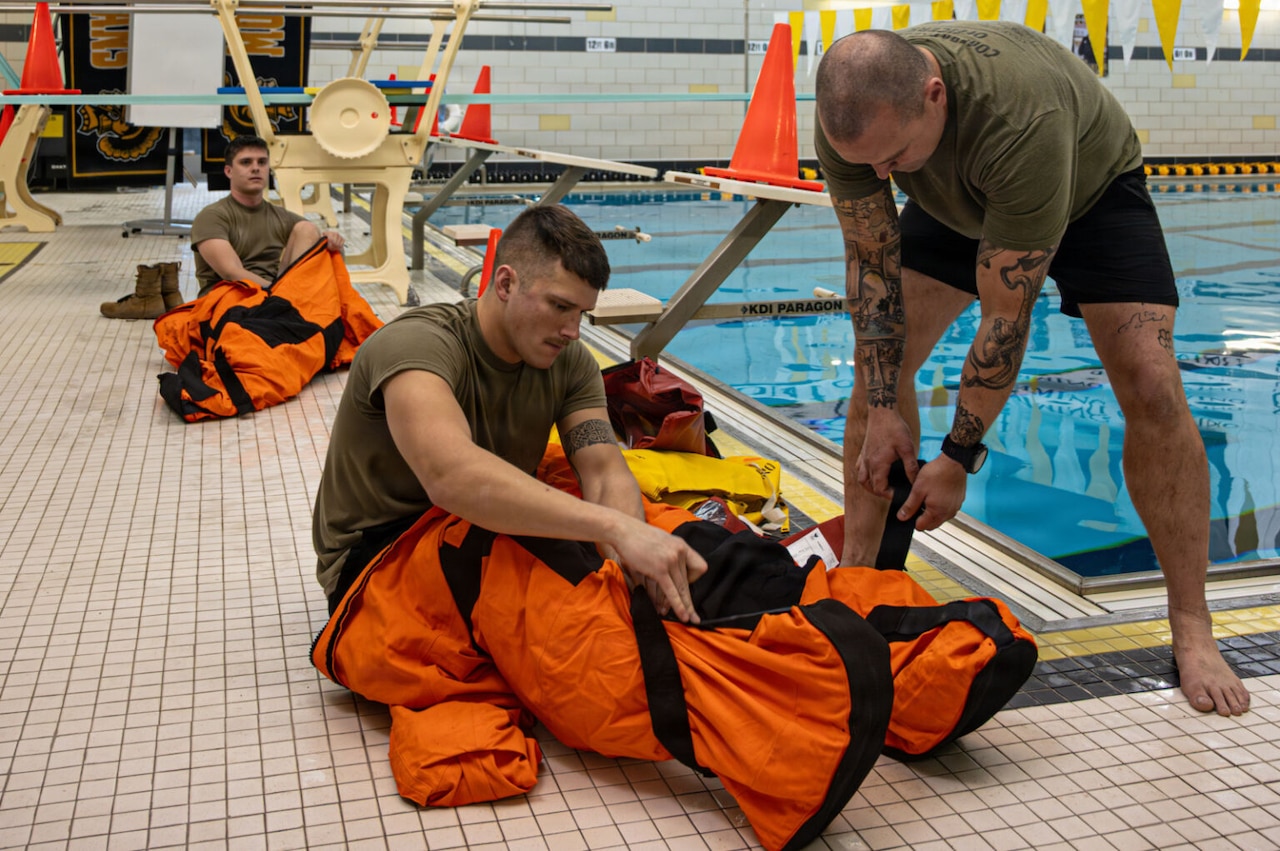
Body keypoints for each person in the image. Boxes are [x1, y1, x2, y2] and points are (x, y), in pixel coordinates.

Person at [814, 22, 1249, 716]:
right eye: (868, 166)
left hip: (1088, 190)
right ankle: (858, 585)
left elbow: (1005, 317)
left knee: (1153, 385)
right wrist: (885, 406)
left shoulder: (1020, 116)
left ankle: (1191, 624)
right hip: (958, 199)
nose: (881, 178)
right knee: (877, 371)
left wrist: (958, 455)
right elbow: (872, 273)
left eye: (894, 157)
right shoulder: (854, 124)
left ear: (933, 96)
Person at [312, 204, 706, 621]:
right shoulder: (417, 346)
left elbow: (604, 472)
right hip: (383, 553)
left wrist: (634, 565)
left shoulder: (569, 362)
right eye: (559, 306)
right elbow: (452, 477)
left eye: (581, 314)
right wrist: (614, 529)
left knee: (665, 568)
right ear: (505, 283)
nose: (573, 331)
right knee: (570, 631)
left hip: (484, 529)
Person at [191, 134, 344, 297]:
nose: (256, 168)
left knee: (308, 229)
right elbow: (232, 272)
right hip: (227, 298)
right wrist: (279, 293)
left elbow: (321, 258)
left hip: (274, 298)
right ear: (228, 171)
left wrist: (335, 245)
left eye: (262, 162)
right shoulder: (211, 217)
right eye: (246, 162)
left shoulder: (282, 217)